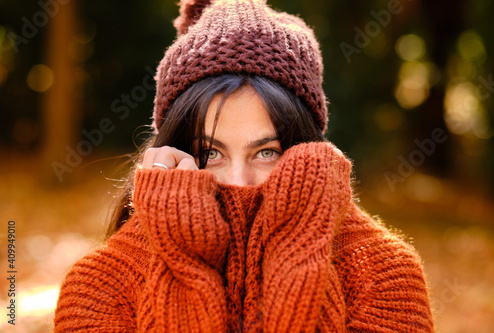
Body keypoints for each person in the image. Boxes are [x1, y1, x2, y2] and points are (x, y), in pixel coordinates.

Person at [54, 0, 435, 332]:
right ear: (173, 152)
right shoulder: (99, 286)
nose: (240, 182)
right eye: (210, 154)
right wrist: (181, 256)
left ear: (306, 149)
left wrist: (298, 250)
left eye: (266, 152)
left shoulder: (385, 275)